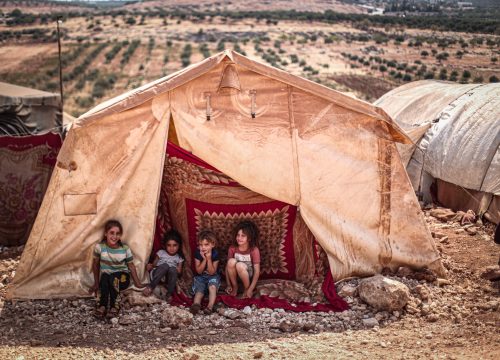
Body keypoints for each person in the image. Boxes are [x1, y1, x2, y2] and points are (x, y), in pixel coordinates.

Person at [89, 219, 145, 318]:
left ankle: (115, 306)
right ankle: (102, 306)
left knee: (113, 278)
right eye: (112, 233)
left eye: (118, 234)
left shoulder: (125, 249)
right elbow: (95, 264)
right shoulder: (100, 247)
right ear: (106, 233)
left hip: (122, 278)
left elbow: (131, 266)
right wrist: (96, 283)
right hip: (108, 278)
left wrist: (138, 283)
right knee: (105, 277)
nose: (114, 236)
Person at [143, 229, 184, 300]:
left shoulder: (179, 257)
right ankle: (150, 287)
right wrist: (150, 266)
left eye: (174, 245)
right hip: (157, 274)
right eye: (169, 245)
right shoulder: (161, 252)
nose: (172, 248)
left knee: (172, 269)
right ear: (165, 245)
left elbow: (179, 271)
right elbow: (154, 264)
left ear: (179, 245)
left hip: (167, 279)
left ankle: (169, 293)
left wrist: (176, 269)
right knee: (165, 266)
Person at [225, 220, 260, 299]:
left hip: (247, 274)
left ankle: (246, 288)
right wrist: (228, 284)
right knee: (231, 262)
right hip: (235, 275)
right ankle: (235, 287)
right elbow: (227, 267)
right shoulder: (232, 248)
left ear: (249, 238)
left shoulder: (254, 250)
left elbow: (257, 271)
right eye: (238, 235)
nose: (239, 238)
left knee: (239, 265)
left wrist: (250, 289)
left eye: (243, 236)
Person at [190, 230, 220, 315]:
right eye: (201, 245)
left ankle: (209, 307)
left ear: (213, 244)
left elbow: (211, 272)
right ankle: (196, 305)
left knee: (212, 287)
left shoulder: (215, 254)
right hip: (200, 277)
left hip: (213, 276)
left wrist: (209, 259)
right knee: (199, 290)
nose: (203, 247)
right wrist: (204, 259)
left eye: (206, 244)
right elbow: (199, 271)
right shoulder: (197, 253)